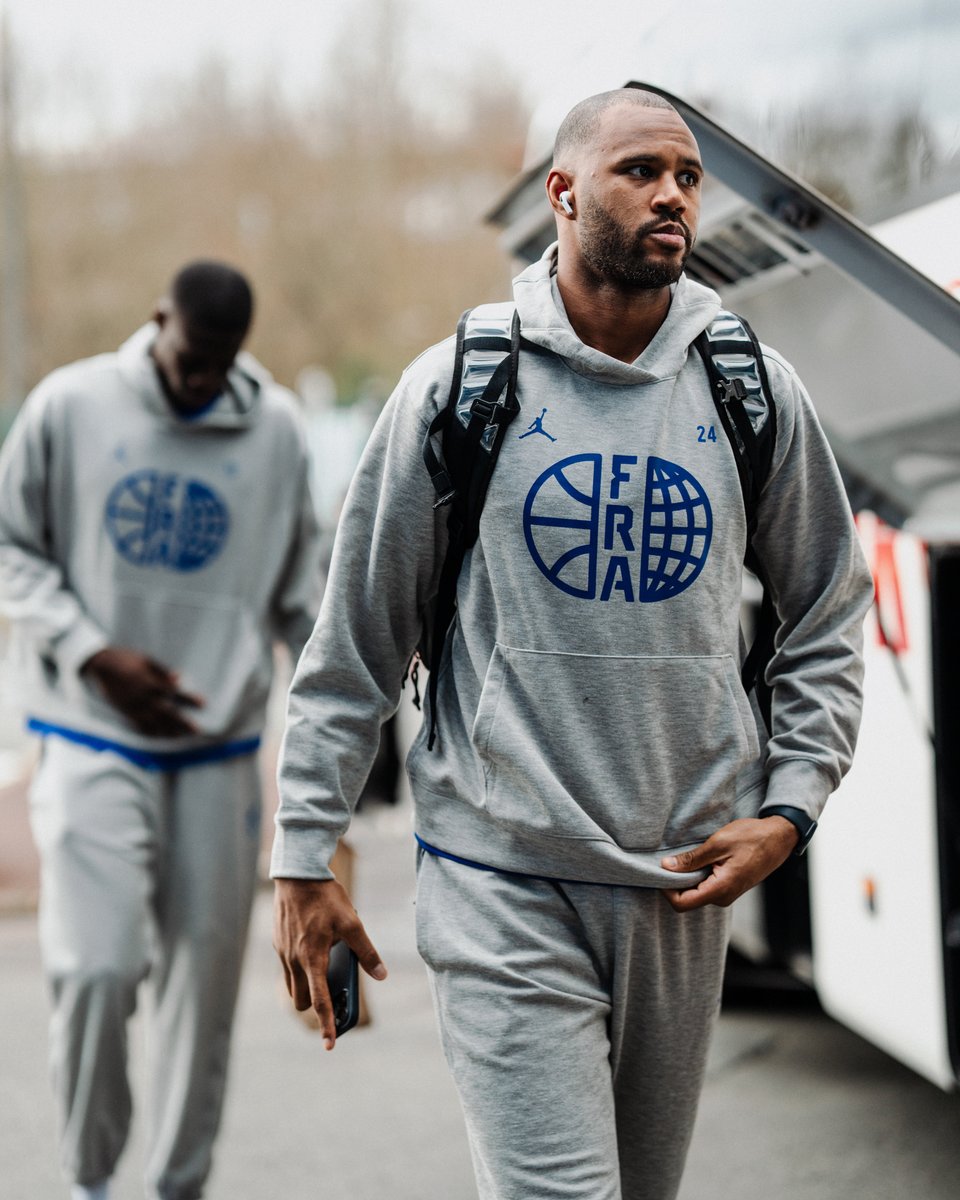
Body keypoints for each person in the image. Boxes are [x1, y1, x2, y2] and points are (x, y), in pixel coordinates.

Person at [271, 89, 874, 1200]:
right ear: (561, 194)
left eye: (687, 177)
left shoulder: (752, 393)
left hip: (679, 884)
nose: (672, 196)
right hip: (501, 871)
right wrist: (304, 856)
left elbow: (832, 608)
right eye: (640, 171)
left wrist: (792, 808)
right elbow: (355, 640)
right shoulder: (458, 388)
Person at [0, 261, 322, 1200]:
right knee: (97, 968)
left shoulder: (278, 433)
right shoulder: (70, 405)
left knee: (202, 997)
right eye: (189, 360)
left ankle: (176, 1187)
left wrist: (360, 734)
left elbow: (303, 600)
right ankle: (92, 1180)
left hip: (217, 753)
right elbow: (11, 546)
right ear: (156, 325)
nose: (201, 382)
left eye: (220, 365)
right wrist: (93, 650)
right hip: (91, 737)